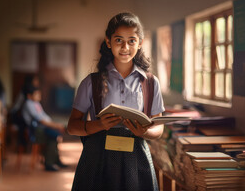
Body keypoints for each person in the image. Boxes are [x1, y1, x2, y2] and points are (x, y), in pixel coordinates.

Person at [67, 12, 165, 191]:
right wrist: (98, 125)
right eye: (119, 40)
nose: (125, 47)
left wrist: (144, 131)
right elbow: (72, 126)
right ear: (108, 42)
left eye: (132, 41)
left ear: (140, 43)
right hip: (97, 157)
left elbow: (159, 127)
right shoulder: (91, 81)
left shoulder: (151, 82)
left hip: (136, 158)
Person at [21, 84, 67, 171]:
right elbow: (41, 121)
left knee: (55, 135)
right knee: (53, 136)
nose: (39, 96)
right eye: (37, 94)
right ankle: (49, 163)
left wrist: (55, 125)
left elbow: (45, 117)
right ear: (29, 96)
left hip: (42, 129)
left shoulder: (36, 103)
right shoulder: (29, 104)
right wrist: (56, 125)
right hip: (36, 131)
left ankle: (55, 160)